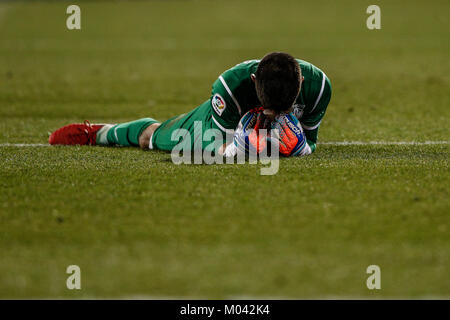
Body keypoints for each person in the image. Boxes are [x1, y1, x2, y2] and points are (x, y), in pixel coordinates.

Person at [49, 52, 332, 157]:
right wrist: (238, 148)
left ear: (301, 83)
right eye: (269, 110)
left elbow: (310, 140)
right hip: (217, 124)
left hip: (247, 134)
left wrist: (303, 148)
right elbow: (219, 148)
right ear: (254, 81)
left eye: (284, 111)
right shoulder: (229, 88)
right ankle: (96, 133)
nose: (275, 118)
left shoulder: (318, 88)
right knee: (151, 139)